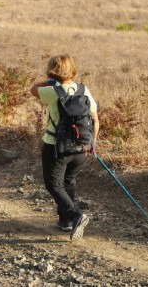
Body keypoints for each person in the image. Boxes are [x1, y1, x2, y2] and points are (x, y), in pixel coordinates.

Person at [29, 55, 99, 241]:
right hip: (82, 147)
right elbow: (95, 119)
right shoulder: (84, 90)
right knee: (68, 181)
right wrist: (92, 144)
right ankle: (65, 221)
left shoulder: (52, 92)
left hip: (56, 147)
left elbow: (33, 89)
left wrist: (49, 81)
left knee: (53, 184)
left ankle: (75, 215)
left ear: (53, 71)